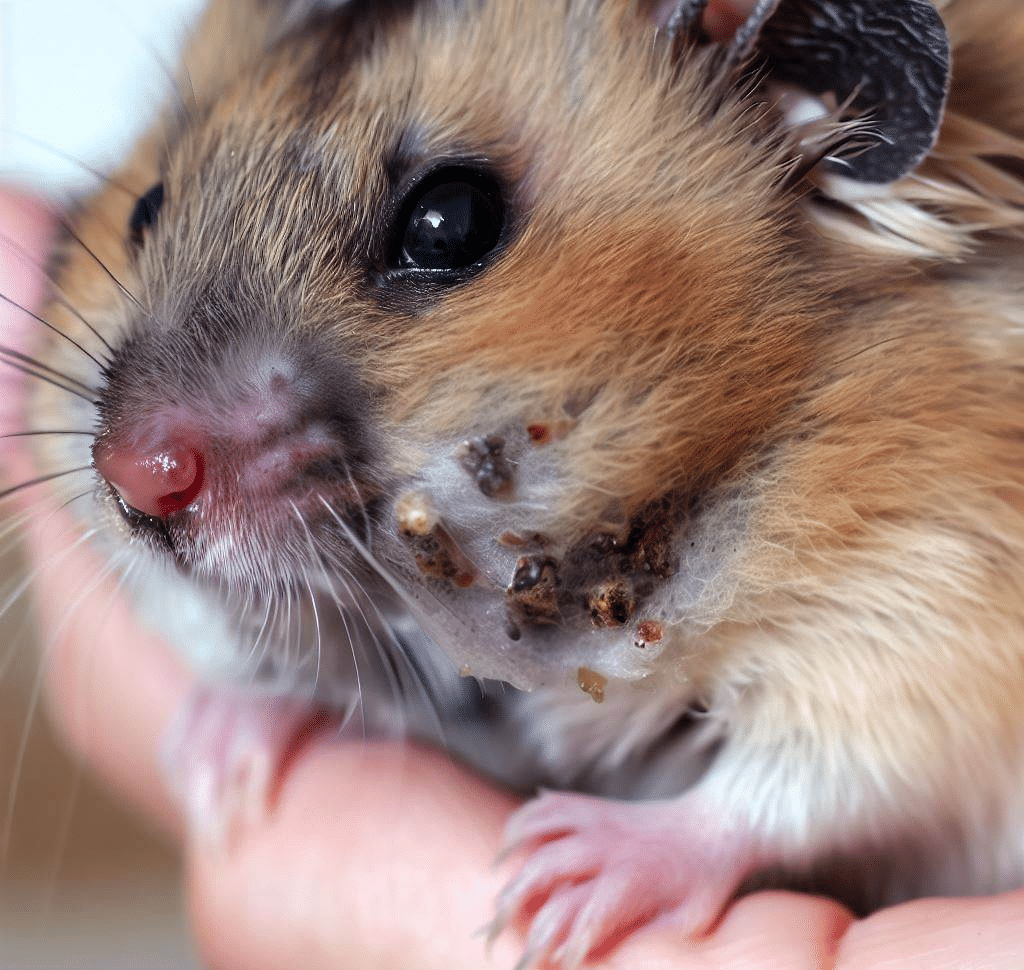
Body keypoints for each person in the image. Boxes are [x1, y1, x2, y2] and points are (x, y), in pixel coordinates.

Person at [2, 182, 1021, 970]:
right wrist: (277, 691)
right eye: (153, 210)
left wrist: (713, 830)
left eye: (444, 231)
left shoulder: (886, 414)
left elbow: (948, 683)